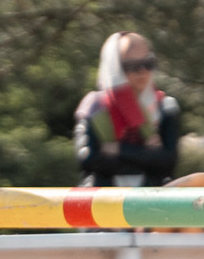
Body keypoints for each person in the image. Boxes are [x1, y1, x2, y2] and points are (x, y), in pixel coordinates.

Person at [75, 33, 181, 188]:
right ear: (115, 68)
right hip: (102, 203)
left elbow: (168, 161)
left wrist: (117, 149)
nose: (142, 72)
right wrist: (147, 154)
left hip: (151, 204)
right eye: (132, 66)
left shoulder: (166, 106)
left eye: (148, 63)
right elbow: (88, 160)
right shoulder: (94, 107)